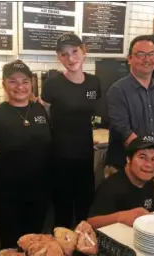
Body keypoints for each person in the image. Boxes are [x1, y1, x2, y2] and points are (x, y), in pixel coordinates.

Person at [0, 60, 52, 249]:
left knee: (35, 242)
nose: (20, 86)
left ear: (31, 84)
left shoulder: (40, 110)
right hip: (6, 192)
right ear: (3, 84)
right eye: (13, 81)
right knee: (11, 244)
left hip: (39, 190)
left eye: (25, 81)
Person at [40, 33, 101, 229]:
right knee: (63, 213)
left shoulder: (94, 83)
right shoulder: (52, 85)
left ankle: (85, 255)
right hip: (60, 159)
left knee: (85, 210)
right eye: (64, 55)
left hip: (85, 156)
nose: (71, 58)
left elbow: (87, 117)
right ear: (59, 58)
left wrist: (84, 138)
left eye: (74, 51)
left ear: (84, 51)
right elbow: (44, 117)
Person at [104, 35, 154, 200]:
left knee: (147, 218)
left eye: (151, 54)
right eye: (141, 54)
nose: (147, 59)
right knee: (119, 221)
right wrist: (147, 157)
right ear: (129, 58)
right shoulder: (118, 90)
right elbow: (122, 129)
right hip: (122, 168)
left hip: (152, 169)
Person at [88, 137, 154, 229]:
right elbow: (90, 222)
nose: (149, 165)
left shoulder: (149, 183)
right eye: (142, 157)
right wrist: (120, 217)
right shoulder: (111, 187)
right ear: (128, 159)